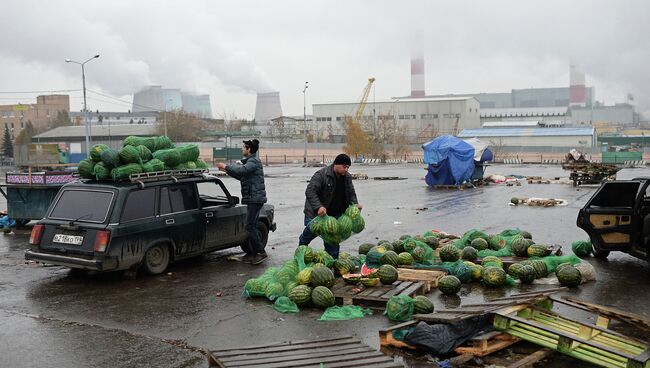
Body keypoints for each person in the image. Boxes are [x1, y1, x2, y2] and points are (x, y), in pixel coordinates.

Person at [299, 153, 362, 259]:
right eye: (344, 166)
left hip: (335, 215)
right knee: (309, 235)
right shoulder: (321, 175)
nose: (346, 169)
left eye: (348, 167)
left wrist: (355, 204)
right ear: (336, 164)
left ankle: (331, 262)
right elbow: (310, 191)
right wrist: (318, 207)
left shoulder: (347, 177)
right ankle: (301, 249)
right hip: (317, 214)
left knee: (332, 240)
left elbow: (351, 192)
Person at [216, 139, 268, 265]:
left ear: (249, 149)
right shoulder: (250, 162)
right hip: (253, 198)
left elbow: (241, 171)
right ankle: (252, 253)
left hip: (255, 199)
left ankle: (261, 252)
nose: (242, 149)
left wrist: (226, 166)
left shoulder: (253, 161)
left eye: (243, 147)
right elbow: (241, 175)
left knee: (249, 226)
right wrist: (227, 170)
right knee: (252, 226)